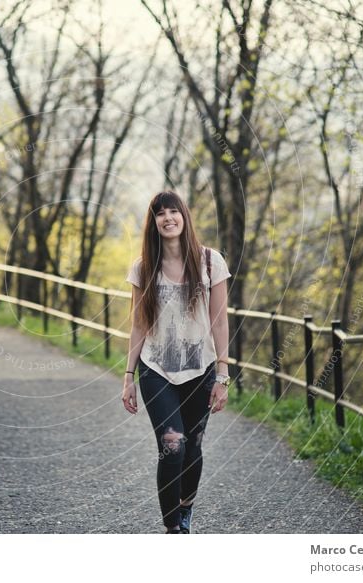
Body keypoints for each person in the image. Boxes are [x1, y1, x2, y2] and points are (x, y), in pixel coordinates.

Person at [121, 190, 232, 534]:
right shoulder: (143, 268)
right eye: (160, 213)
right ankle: (173, 529)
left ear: (184, 216)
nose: (168, 218)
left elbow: (219, 320)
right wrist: (128, 376)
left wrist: (223, 374)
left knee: (192, 447)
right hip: (156, 370)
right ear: (153, 223)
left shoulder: (211, 262)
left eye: (174, 211)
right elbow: (139, 322)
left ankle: (185, 509)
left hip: (200, 370)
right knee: (173, 445)